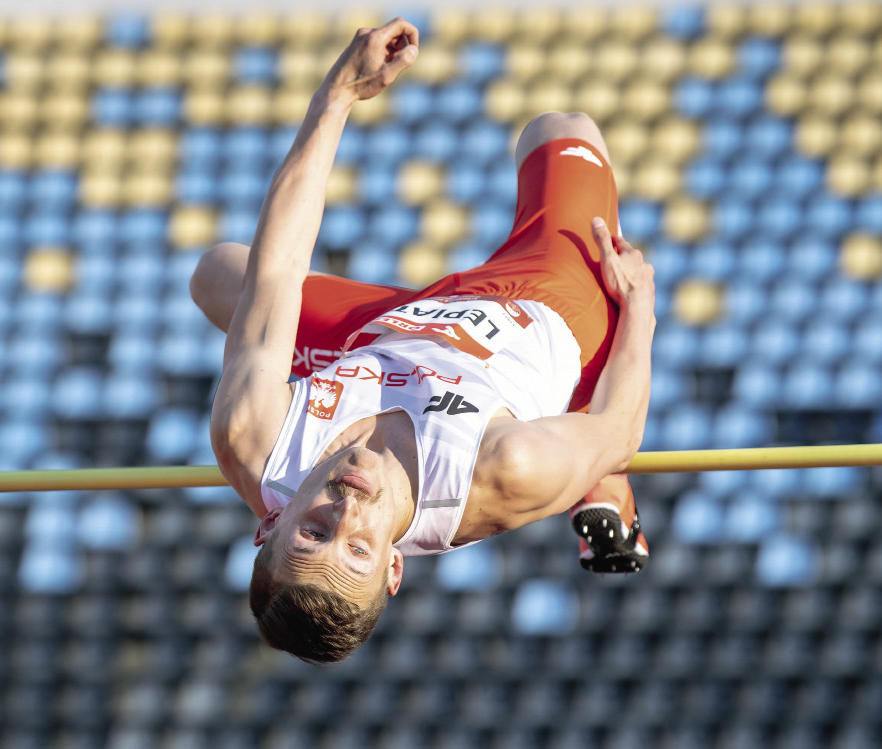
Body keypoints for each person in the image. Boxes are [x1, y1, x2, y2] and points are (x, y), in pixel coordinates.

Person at [189, 18, 656, 663]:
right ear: (392, 569)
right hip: (546, 312)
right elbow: (621, 428)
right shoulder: (501, 471)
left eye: (314, 531)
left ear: (271, 522)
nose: (348, 510)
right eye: (357, 547)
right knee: (560, 129)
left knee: (219, 274)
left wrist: (337, 96)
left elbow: (276, 269)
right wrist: (639, 308)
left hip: (403, 330)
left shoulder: (253, 436)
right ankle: (604, 490)